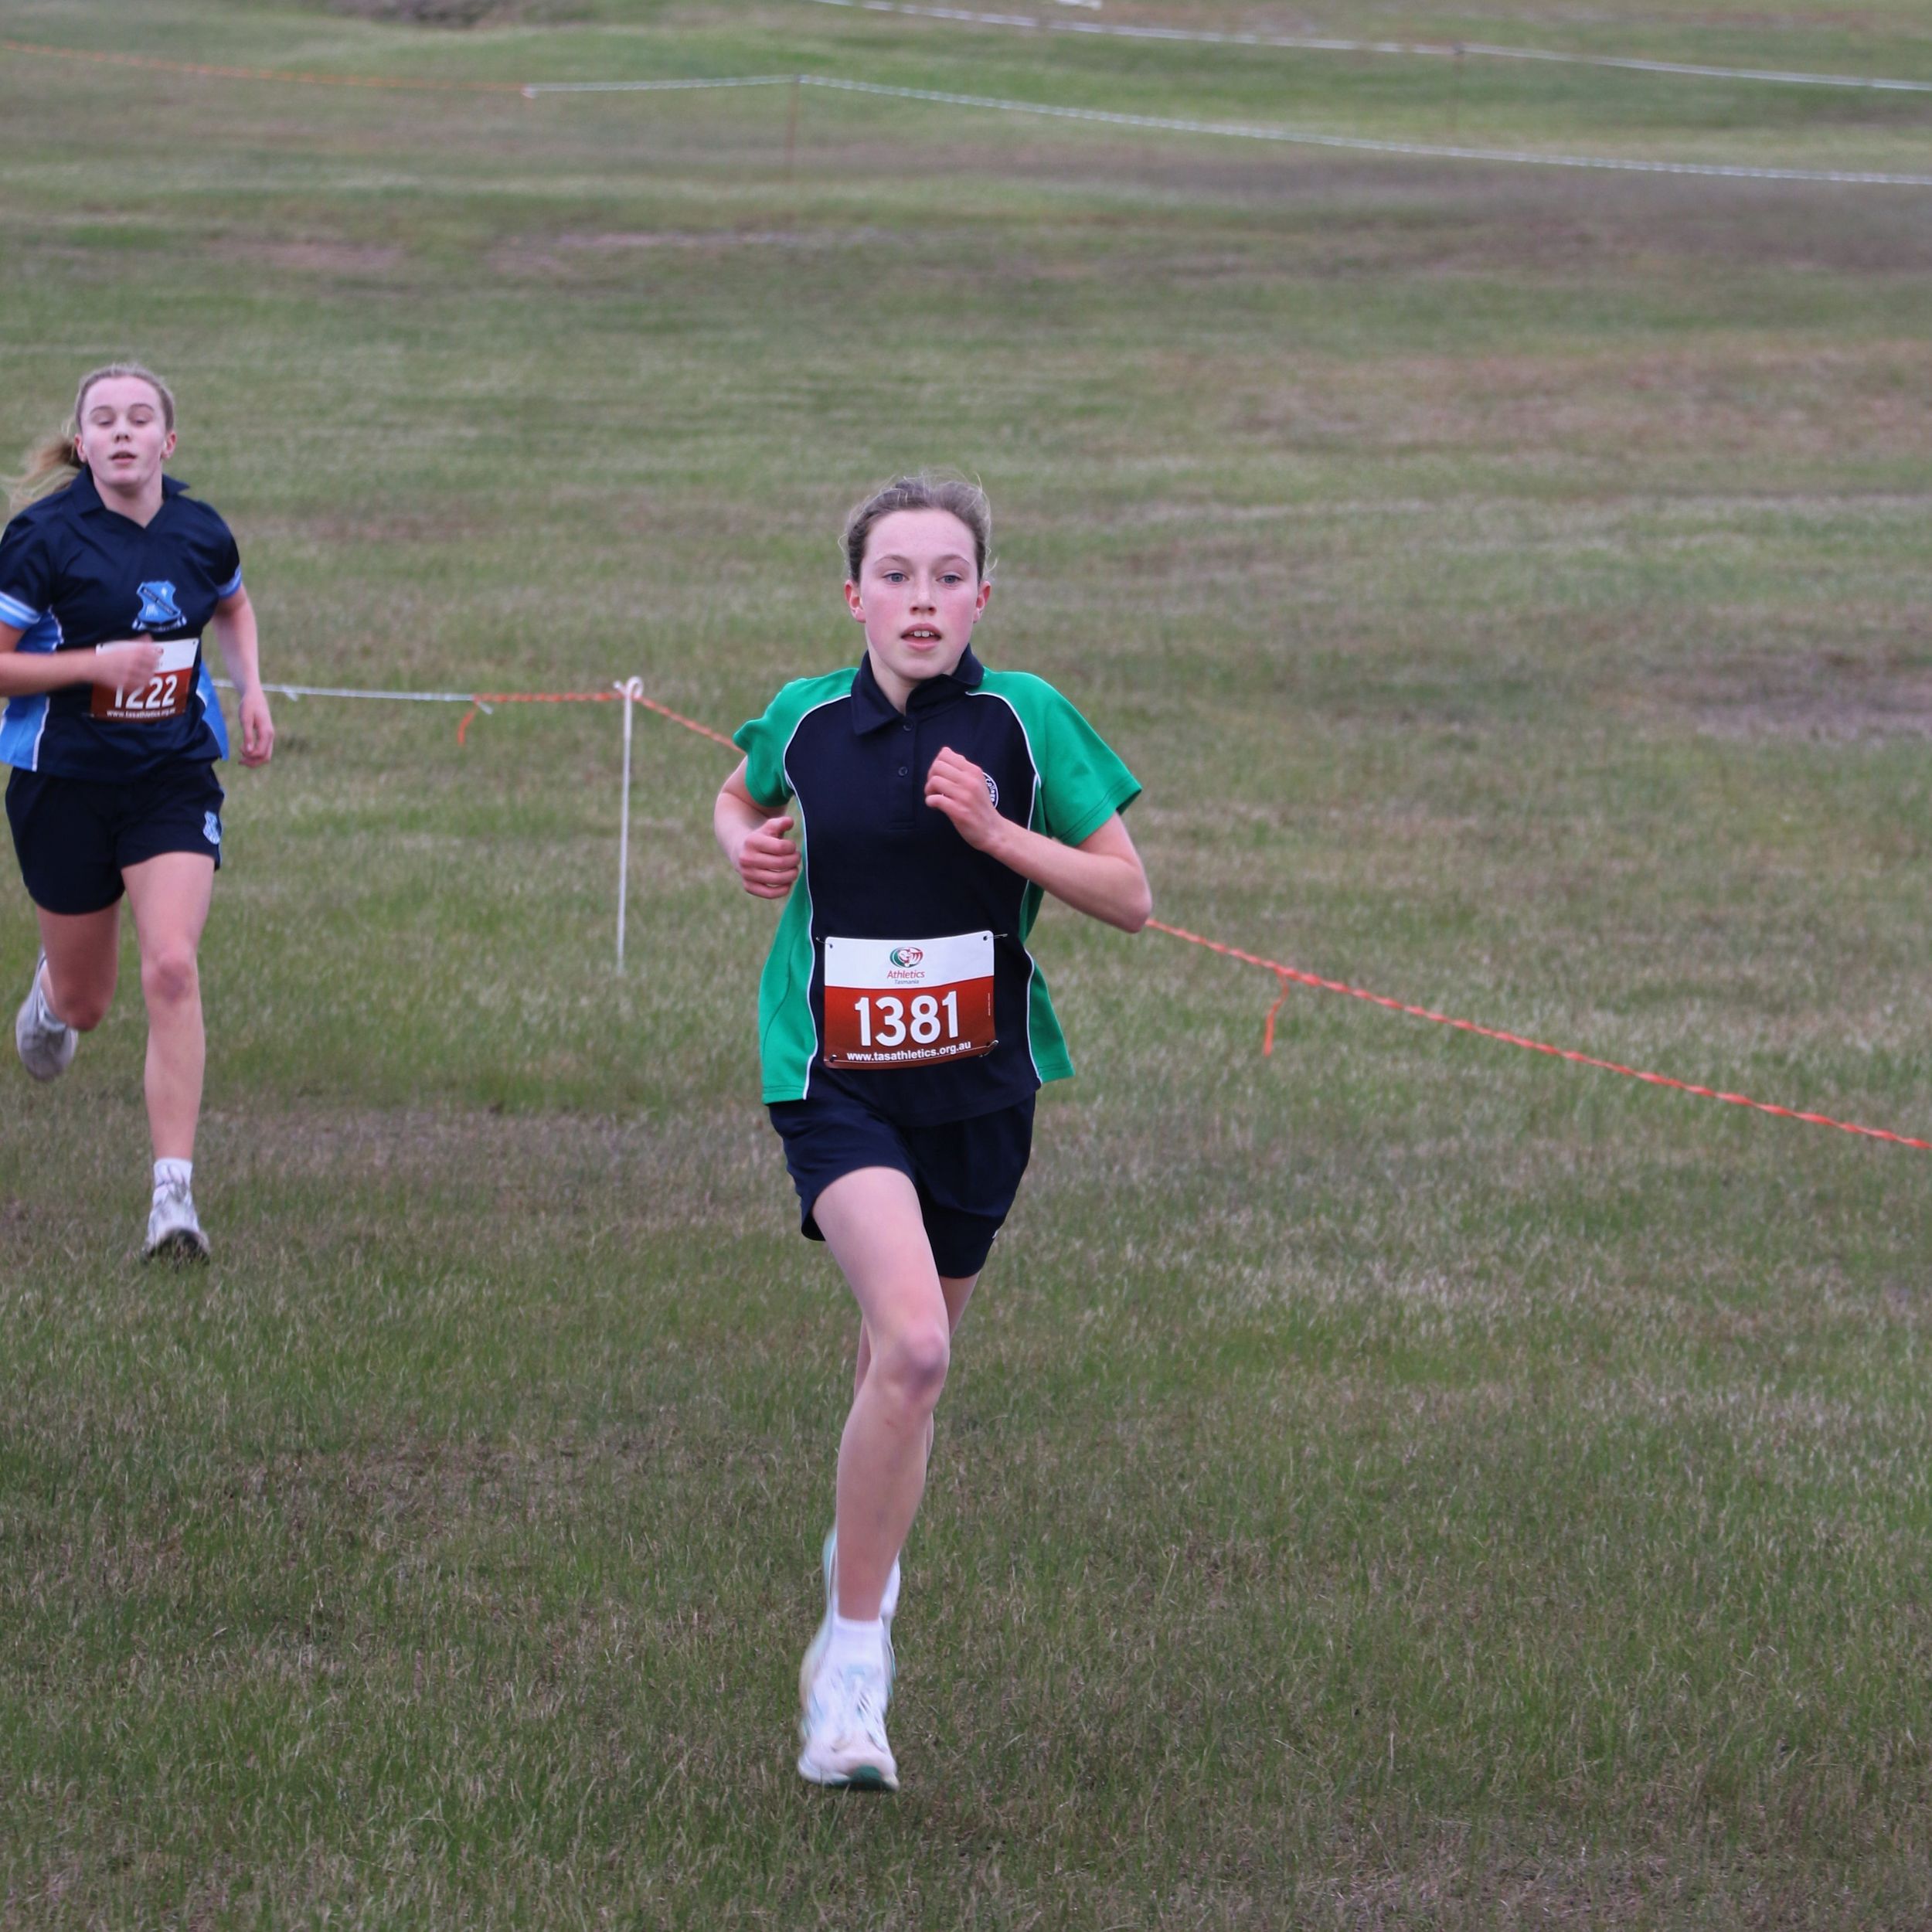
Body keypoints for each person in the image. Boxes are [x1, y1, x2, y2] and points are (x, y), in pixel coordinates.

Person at [715, 474, 1151, 1791]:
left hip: (981, 1092)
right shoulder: (806, 718)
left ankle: (861, 1556)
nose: (922, 601)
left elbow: (1129, 896)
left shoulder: (1026, 719)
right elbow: (740, 795)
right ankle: (853, 1668)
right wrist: (742, 846)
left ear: (982, 598)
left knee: (895, 1371)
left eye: (948, 577)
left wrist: (996, 830)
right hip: (831, 1076)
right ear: (854, 597)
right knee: (913, 1350)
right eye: (896, 577)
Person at [0, 363, 274, 1260]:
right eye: (106, 420)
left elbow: (232, 604)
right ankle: (54, 990)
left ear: (168, 440)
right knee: (89, 1006)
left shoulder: (201, 530)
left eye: (141, 417)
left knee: (173, 966)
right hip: (63, 783)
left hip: (171, 777)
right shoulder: (41, 538)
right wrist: (92, 665)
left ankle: (173, 1199)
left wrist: (252, 688)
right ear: (82, 445)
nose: (123, 431)